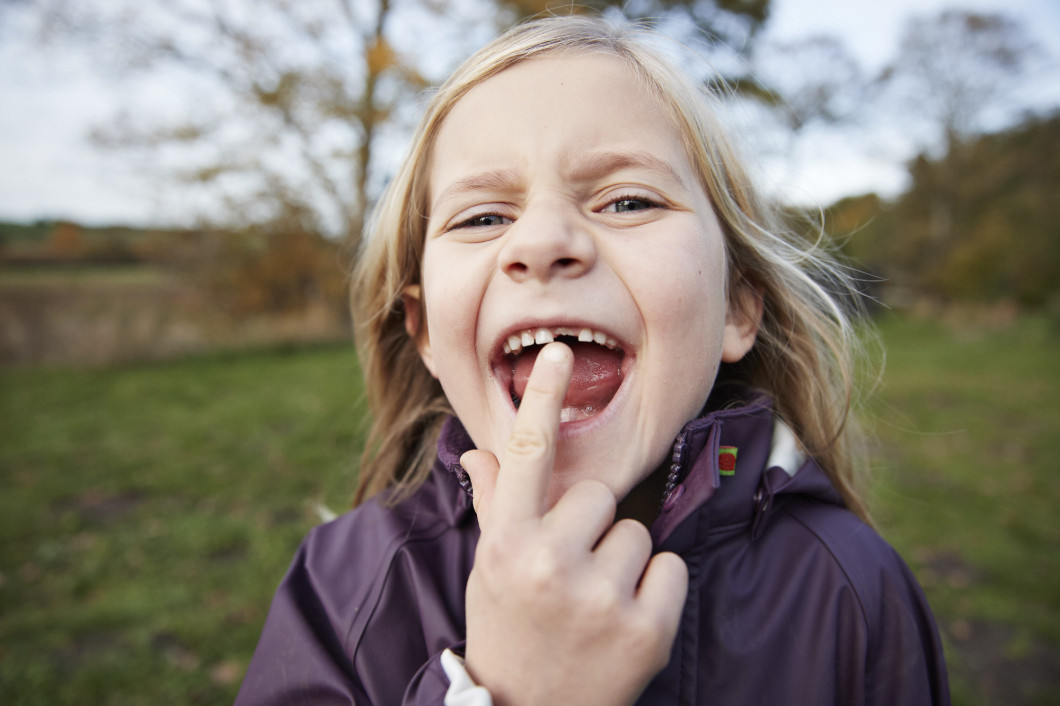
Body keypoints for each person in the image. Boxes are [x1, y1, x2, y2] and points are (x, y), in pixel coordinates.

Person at [236, 16, 949, 705]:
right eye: (482, 217)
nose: (543, 240)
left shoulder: (854, 588)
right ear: (423, 332)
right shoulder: (343, 585)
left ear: (736, 309)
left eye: (629, 201)